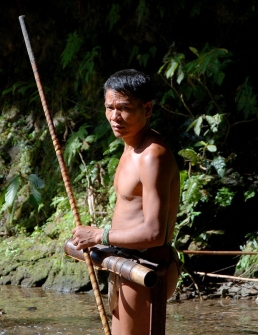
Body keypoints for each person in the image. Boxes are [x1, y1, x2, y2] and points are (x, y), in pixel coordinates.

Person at [72, 69, 181, 335]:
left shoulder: (152, 155)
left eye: (124, 108)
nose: (114, 117)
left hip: (145, 267)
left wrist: (100, 234)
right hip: (124, 262)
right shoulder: (130, 146)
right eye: (109, 107)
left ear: (147, 109)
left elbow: (154, 233)